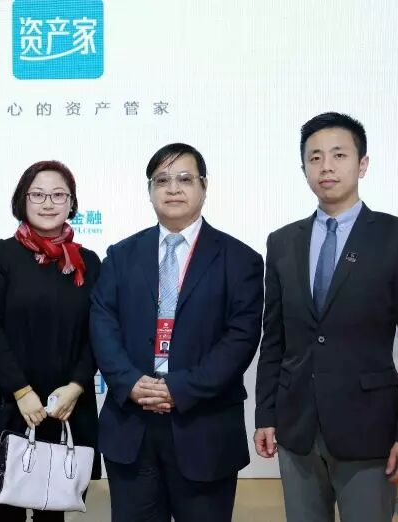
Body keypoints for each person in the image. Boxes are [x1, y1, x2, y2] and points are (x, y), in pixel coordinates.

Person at [254, 112, 398, 521]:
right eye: (315, 157)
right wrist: (265, 414)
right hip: (297, 430)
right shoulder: (282, 242)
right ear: (304, 168)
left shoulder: (397, 237)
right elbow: (274, 339)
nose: (327, 167)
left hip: (369, 430)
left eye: (339, 155)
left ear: (362, 164)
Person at [90, 143, 263, 521]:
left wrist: (178, 388)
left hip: (205, 430)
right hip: (131, 428)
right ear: (149, 190)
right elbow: (102, 324)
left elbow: (240, 338)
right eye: (162, 180)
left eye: (185, 179)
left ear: (204, 186)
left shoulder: (240, 259)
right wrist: (130, 382)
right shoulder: (121, 255)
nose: (173, 189)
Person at [0, 160, 101, 522]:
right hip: (8, 398)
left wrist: (76, 386)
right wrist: (21, 391)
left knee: (52, 504)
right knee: (6, 504)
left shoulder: (88, 263)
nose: (48, 203)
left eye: (58, 195)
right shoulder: (1, 256)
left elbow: (99, 332)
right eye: (37, 194)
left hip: (64, 401)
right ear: (22, 200)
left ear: (71, 203)